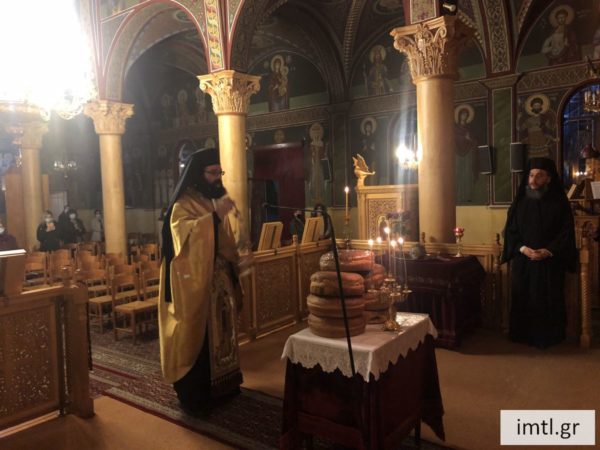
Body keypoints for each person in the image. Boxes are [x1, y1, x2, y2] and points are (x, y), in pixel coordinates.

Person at [159, 147, 244, 416]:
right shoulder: (182, 205)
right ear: (198, 173)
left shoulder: (210, 200)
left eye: (220, 172)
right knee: (198, 335)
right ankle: (197, 394)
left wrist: (236, 260)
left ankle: (225, 386)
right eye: (213, 172)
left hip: (217, 283)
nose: (218, 177)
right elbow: (183, 244)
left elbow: (224, 238)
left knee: (222, 332)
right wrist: (214, 216)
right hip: (191, 283)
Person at [501, 157, 576, 348]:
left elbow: (566, 232)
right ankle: (521, 335)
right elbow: (510, 231)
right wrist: (523, 249)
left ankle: (548, 337)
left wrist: (548, 251)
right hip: (524, 262)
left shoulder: (560, 203)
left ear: (549, 178)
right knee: (524, 297)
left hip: (550, 262)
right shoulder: (520, 202)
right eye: (531, 175)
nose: (533, 180)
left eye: (539, 175)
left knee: (548, 298)